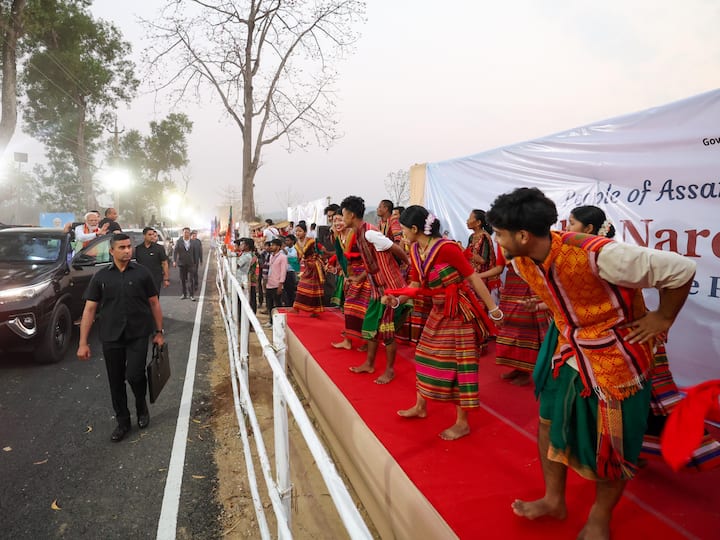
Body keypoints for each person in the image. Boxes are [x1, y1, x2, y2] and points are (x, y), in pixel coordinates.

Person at [486, 187, 696, 539]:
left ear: (522, 236)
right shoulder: (519, 259)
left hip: (618, 361)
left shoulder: (601, 255)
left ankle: (600, 518)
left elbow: (682, 269)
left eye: (500, 233)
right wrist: (555, 305)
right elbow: (561, 290)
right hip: (570, 353)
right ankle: (555, 500)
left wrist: (662, 318)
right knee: (547, 423)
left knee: (614, 444)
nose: (497, 239)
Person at [564, 205, 720, 471]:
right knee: (636, 404)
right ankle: (631, 453)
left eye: (571, 224)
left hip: (628, 340)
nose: (566, 231)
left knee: (642, 403)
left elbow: (677, 272)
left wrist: (662, 317)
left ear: (588, 229)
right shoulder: (582, 255)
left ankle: (641, 453)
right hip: (612, 342)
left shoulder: (609, 254)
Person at [383, 206, 500, 440]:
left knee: (460, 366)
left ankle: (462, 422)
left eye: (404, 229)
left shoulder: (447, 248)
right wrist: (397, 300)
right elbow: (415, 286)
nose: (402, 233)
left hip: (460, 312)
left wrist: (493, 309)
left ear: (415, 229)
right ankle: (421, 406)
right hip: (438, 310)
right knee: (424, 354)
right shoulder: (416, 250)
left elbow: (472, 277)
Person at [76, 234, 165, 442]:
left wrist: (159, 332)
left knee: (134, 375)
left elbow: (154, 303)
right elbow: (89, 310)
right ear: (112, 251)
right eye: (122, 247)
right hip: (111, 335)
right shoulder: (101, 277)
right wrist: (83, 342)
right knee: (115, 381)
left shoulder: (142, 273)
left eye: (129, 247)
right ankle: (123, 421)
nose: (127, 250)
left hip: (138, 333)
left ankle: (141, 406)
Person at [340, 195, 410, 384]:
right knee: (370, 327)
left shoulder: (370, 233)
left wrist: (409, 266)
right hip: (376, 289)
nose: (341, 218)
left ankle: (389, 370)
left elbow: (396, 248)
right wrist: (360, 277)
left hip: (390, 290)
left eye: (343, 214)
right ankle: (369, 364)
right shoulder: (359, 233)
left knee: (387, 332)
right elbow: (370, 262)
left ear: (352, 215)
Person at [292, 222, 325, 316]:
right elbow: (299, 256)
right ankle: (297, 307)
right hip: (307, 267)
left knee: (314, 289)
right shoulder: (297, 244)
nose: (297, 233)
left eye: (300, 231)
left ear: (305, 232)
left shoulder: (312, 241)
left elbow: (322, 250)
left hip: (314, 267)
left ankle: (315, 310)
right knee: (301, 286)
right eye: (296, 231)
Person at [134, 227, 170, 295]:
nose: (152, 236)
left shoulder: (159, 248)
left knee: (154, 299)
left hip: (155, 279)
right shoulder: (138, 249)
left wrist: (166, 279)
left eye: (153, 234)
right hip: (142, 279)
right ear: (144, 236)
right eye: (149, 235)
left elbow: (164, 263)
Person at [264, 238, 287, 328]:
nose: (271, 247)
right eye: (271, 245)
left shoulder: (282, 257)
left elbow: (283, 271)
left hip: (277, 284)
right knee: (269, 304)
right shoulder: (271, 256)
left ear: (278, 247)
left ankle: (278, 323)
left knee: (278, 304)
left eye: (273, 245)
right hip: (270, 282)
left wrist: (281, 284)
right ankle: (271, 321)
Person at [173, 227, 199, 301]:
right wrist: (174, 261)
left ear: (189, 233)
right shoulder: (179, 241)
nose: (186, 234)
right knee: (183, 280)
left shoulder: (192, 242)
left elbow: (194, 253)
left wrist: (195, 262)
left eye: (187, 232)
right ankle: (184, 294)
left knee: (191, 280)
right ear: (182, 233)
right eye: (185, 232)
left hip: (191, 264)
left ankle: (191, 295)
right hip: (182, 263)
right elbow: (175, 251)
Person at [282, 235, 299, 307]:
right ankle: (287, 304)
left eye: (288, 240)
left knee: (291, 290)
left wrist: (285, 251)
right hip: (285, 270)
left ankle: (292, 304)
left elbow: (293, 257)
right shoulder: (285, 248)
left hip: (291, 271)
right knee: (285, 289)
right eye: (286, 240)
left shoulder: (295, 248)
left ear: (292, 241)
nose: (286, 242)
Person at [190, 229, 203, 295]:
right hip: (189, 261)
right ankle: (190, 285)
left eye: (195, 235)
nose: (195, 236)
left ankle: (196, 284)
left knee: (195, 273)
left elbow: (200, 251)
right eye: (193, 235)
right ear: (191, 235)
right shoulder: (188, 242)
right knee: (190, 273)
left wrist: (201, 260)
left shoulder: (198, 242)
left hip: (196, 260)